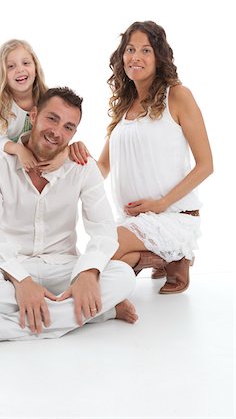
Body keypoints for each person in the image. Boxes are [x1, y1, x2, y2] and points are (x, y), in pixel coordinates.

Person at [0, 87, 137, 349]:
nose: (57, 132)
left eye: (68, 127)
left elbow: (104, 231)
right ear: (34, 114)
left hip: (65, 268)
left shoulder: (82, 167)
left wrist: (88, 272)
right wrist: (22, 281)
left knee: (123, 276)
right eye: (52, 119)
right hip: (13, 269)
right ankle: (100, 312)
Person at [70, 21, 213, 294]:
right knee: (114, 268)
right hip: (134, 221)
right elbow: (101, 168)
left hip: (174, 216)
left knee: (101, 252)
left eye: (146, 50)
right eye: (130, 49)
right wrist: (74, 154)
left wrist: (161, 204)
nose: (135, 57)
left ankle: (176, 251)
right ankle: (169, 258)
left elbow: (206, 165)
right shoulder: (124, 108)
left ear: (159, 58)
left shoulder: (178, 96)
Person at [0, 39, 67, 173]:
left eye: (26, 63)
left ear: (35, 68)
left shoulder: (46, 98)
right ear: (2, 74)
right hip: (9, 165)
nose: (20, 69)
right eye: (11, 66)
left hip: (38, 164)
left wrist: (63, 154)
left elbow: (61, 130)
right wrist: (20, 150)